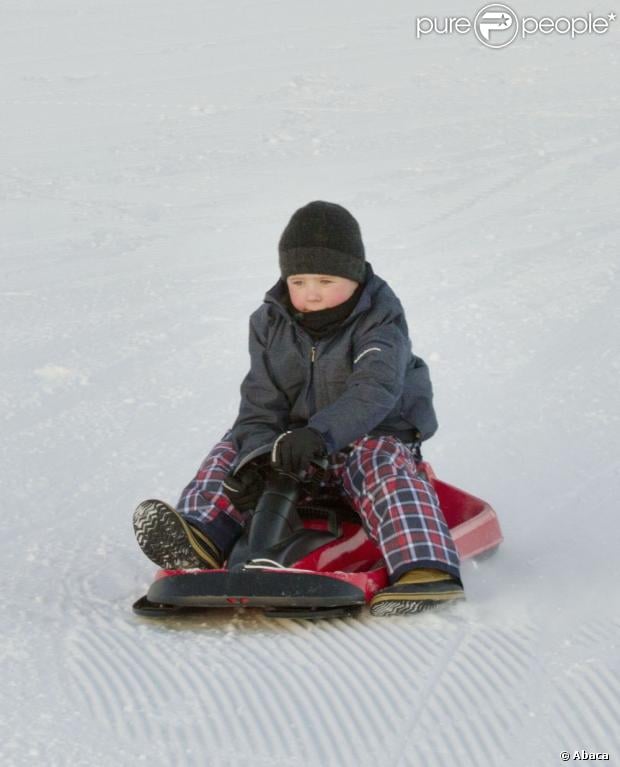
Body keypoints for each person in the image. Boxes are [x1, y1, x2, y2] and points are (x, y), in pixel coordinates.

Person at [133, 201, 463, 615]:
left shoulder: (379, 320)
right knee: (232, 450)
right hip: (293, 448)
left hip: (365, 437)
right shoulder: (269, 321)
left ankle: (423, 566)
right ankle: (201, 535)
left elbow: (374, 389)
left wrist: (320, 435)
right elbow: (260, 401)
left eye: (326, 280)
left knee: (378, 462)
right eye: (298, 280)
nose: (311, 293)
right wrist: (257, 454)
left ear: (356, 275)